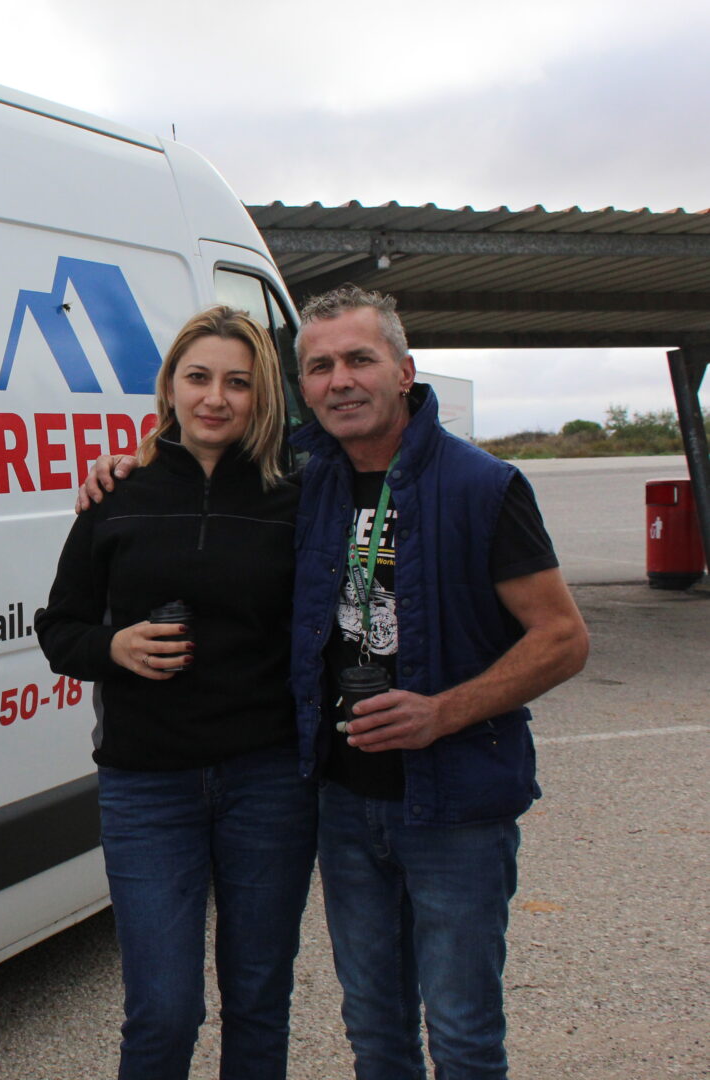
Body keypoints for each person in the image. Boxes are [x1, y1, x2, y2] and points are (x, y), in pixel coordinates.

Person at [79, 284, 589, 1080]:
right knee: (375, 1030)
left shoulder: (482, 487)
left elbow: (562, 637)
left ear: (405, 370)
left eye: (360, 359)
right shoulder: (305, 478)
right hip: (344, 799)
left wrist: (442, 712)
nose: (340, 380)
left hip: (448, 799)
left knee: (459, 1033)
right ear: (304, 386)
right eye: (320, 366)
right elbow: (197, 467)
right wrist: (131, 464)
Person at [36, 306, 316, 1080]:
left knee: (259, 997)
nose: (216, 398)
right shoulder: (118, 495)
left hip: (267, 781)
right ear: (169, 387)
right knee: (163, 1010)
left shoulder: (295, 498)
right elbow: (59, 631)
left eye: (238, 382)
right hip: (147, 785)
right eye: (198, 378)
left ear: (263, 396)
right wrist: (114, 646)